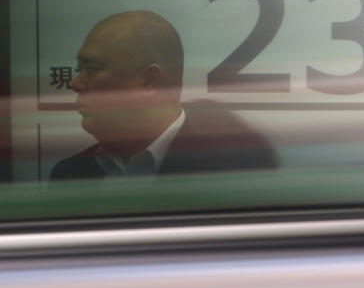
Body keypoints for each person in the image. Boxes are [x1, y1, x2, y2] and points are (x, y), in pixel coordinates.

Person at [50, 11, 276, 181]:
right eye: (80, 69)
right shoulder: (69, 174)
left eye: (93, 68)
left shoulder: (235, 170)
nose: (76, 83)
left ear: (149, 81)